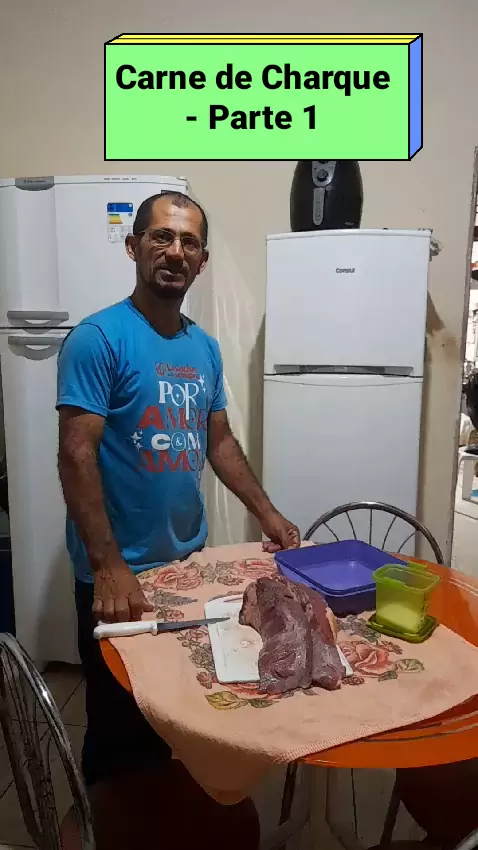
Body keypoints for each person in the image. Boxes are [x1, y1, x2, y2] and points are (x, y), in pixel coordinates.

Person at [56, 190, 300, 791]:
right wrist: (107, 565)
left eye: (189, 242)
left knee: (179, 713)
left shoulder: (204, 348)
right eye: (162, 236)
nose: (175, 251)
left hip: (188, 567)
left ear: (203, 260)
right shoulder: (98, 338)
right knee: (119, 732)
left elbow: (219, 442)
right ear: (133, 246)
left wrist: (267, 513)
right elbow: (76, 454)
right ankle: (107, 819)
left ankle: (169, 810)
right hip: (123, 576)